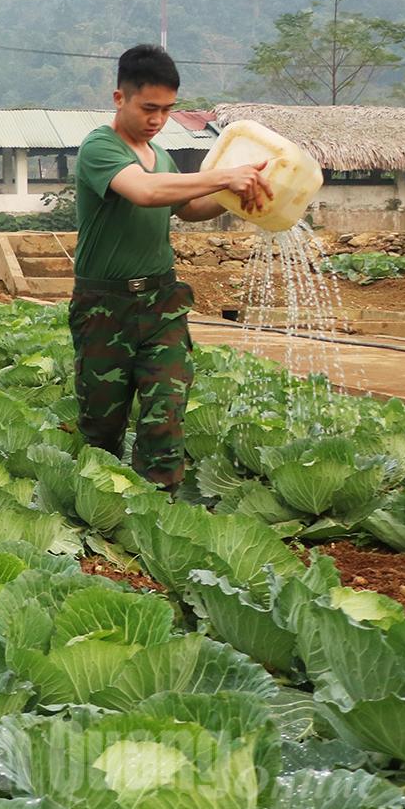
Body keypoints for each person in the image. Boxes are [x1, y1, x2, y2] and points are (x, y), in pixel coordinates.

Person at [69, 44, 270, 491]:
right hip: (105, 306)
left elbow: (188, 207)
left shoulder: (160, 155)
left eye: (167, 110)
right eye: (149, 108)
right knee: (101, 425)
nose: (158, 119)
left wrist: (238, 193)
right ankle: (97, 505)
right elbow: (143, 191)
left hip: (161, 301)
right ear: (120, 98)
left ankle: (159, 506)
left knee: (166, 406)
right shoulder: (99, 147)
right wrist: (223, 175)